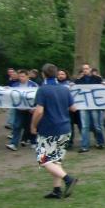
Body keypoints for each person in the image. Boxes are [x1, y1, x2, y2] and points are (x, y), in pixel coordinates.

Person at [30, 64, 78, 199]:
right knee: (56, 160)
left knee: (43, 159)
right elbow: (73, 108)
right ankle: (56, 190)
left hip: (50, 129)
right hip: (65, 128)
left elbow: (39, 111)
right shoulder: (64, 89)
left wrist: (33, 126)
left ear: (43, 74)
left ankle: (68, 179)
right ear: (56, 74)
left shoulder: (43, 90)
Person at [74, 63, 105, 152]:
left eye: (87, 68)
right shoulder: (79, 80)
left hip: (95, 105)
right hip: (84, 105)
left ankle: (100, 142)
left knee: (97, 125)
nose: (85, 70)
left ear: (90, 69)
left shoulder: (97, 79)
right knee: (85, 126)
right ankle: (84, 146)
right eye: (83, 69)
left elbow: (103, 90)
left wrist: (104, 84)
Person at [6, 69, 38, 151]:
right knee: (17, 125)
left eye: (23, 76)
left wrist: (34, 107)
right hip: (19, 109)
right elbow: (10, 95)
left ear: (27, 76)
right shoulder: (15, 85)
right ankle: (14, 143)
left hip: (30, 110)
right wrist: (6, 90)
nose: (21, 78)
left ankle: (33, 141)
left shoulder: (34, 85)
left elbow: (38, 97)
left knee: (31, 125)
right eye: (20, 76)